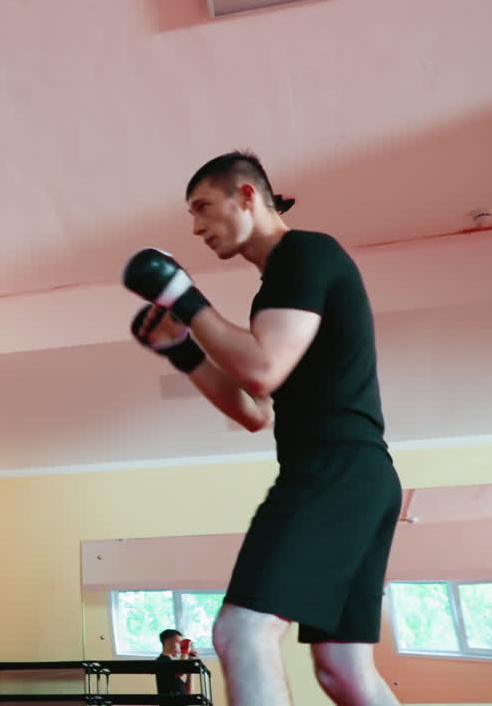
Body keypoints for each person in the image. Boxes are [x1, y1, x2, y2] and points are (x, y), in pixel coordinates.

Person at [123, 151, 402, 706]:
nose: (197, 227)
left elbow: (262, 366)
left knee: (242, 632)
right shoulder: (276, 287)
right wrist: (183, 352)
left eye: (203, 207)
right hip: (357, 476)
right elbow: (255, 412)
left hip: (335, 468)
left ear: (248, 195)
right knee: (344, 669)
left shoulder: (304, 252)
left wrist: (183, 295)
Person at [154, 629, 197, 695]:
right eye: (178, 642)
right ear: (167, 642)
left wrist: (190, 664)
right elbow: (181, 670)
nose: (181, 647)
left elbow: (188, 691)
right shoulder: (162, 660)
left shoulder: (173, 667)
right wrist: (185, 653)